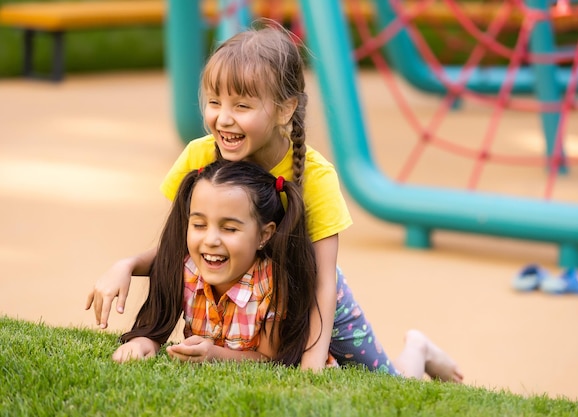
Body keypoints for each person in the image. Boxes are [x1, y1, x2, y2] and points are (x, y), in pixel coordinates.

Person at [87, 21, 463, 382]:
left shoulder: (316, 175)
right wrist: (128, 265)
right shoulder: (199, 156)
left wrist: (312, 364)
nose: (223, 119)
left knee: (387, 381)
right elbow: (177, 250)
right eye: (215, 101)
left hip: (312, 291)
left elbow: (323, 282)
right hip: (246, 297)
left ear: (285, 109)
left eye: (242, 106)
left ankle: (418, 350)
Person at [113, 160, 462, 384]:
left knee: (392, 385)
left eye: (230, 229)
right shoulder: (188, 268)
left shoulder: (271, 285)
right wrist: (144, 340)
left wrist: (214, 354)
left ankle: (418, 348)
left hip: (330, 306)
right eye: (198, 224)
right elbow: (159, 317)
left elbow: (272, 361)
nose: (210, 241)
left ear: (264, 235)